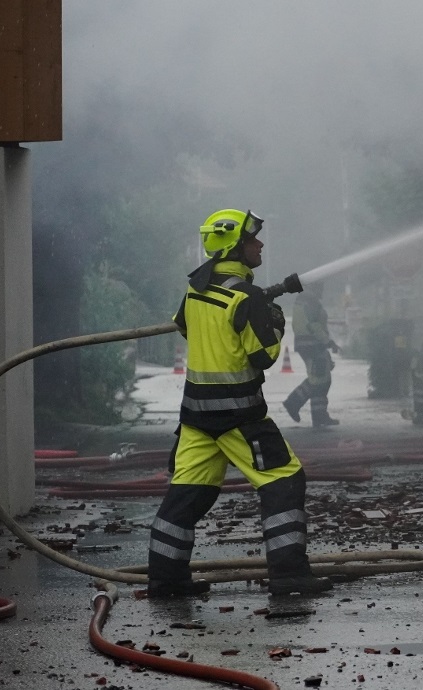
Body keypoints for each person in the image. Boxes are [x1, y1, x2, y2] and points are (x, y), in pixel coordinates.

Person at [147, 209, 331, 598]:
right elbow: (264, 354)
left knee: (188, 493)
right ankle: (289, 575)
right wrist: (275, 319)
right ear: (235, 246)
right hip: (239, 416)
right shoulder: (245, 298)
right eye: (253, 240)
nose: (260, 244)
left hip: (196, 417)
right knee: (284, 481)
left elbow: (183, 325)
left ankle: (166, 581)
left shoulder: (195, 290)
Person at [283, 281, 340, 429]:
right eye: (321, 287)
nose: (322, 291)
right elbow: (314, 325)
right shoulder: (311, 301)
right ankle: (293, 403)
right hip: (312, 345)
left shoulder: (304, 300)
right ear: (315, 287)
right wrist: (328, 342)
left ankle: (319, 415)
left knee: (322, 378)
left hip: (309, 344)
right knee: (318, 379)